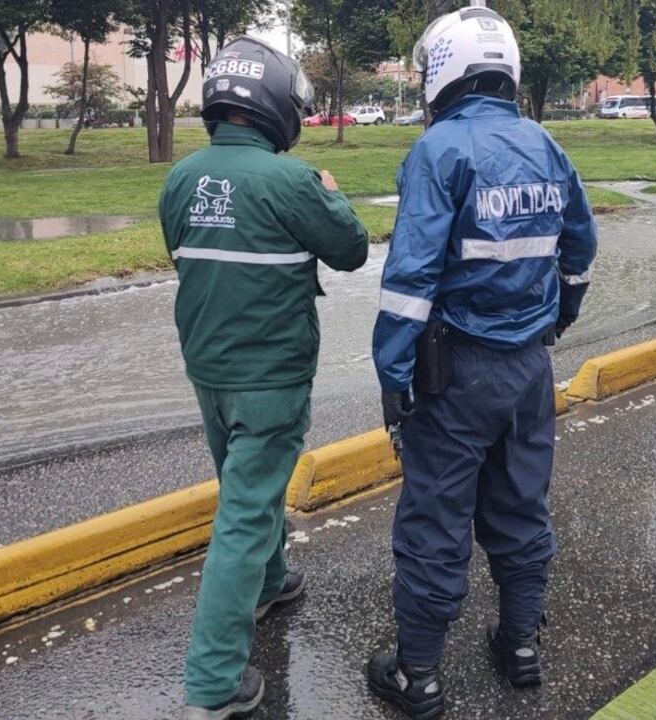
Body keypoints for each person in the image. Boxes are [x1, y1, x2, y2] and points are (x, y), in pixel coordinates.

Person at [366, 7, 598, 720]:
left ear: (444, 68)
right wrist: (557, 316)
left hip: (454, 373)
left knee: (436, 521)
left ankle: (418, 676)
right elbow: (580, 250)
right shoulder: (546, 144)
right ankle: (521, 645)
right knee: (521, 506)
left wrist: (392, 376)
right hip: (528, 371)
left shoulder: (439, 150)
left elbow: (409, 281)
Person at [160, 38, 369, 720]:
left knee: (244, 486)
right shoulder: (292, 181)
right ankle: (213, 681)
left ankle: (271, 581)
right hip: (271, 378)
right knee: (245, 514)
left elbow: (182, 257)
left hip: (208, 371)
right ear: (276, 106)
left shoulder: (181, 179)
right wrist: (333, 196)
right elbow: (351, 250)